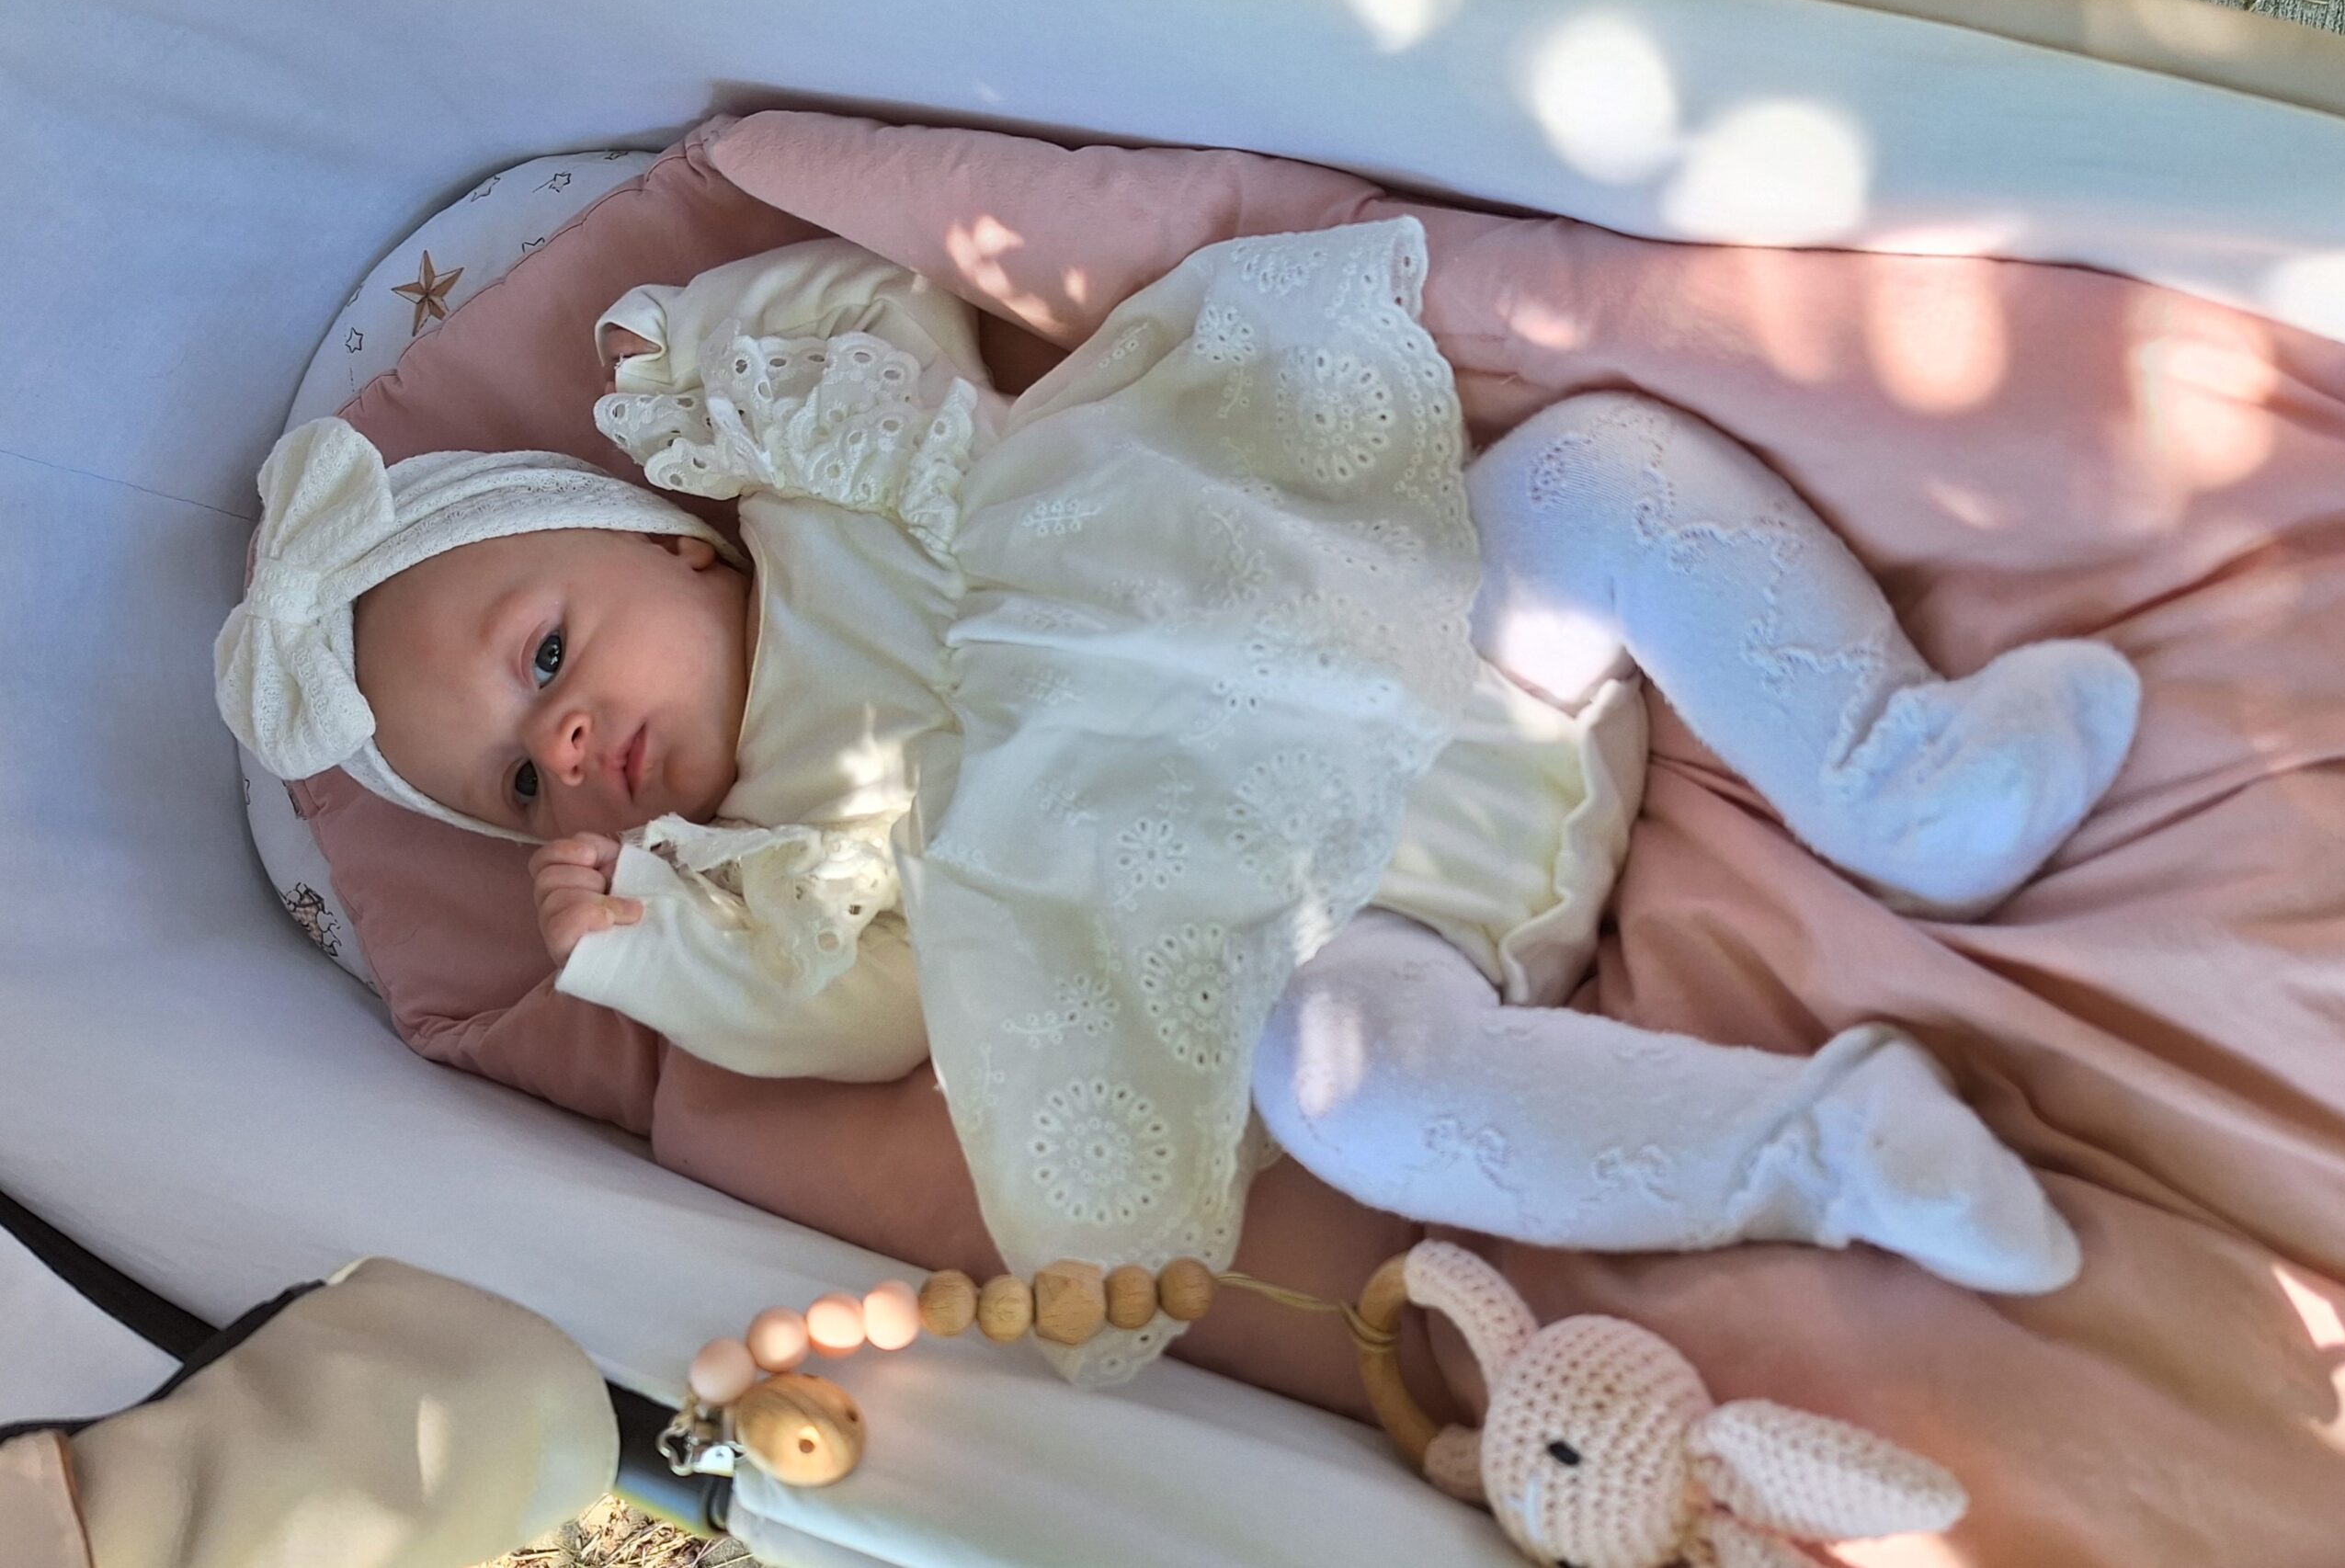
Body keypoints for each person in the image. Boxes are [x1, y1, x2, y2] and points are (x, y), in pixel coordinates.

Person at [217, 222, 2134, 1378]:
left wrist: (705, 348)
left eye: (548, 653)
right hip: (1362, 929)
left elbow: (877, 305)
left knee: (1586, 474)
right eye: (514, 780)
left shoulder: (822, 474)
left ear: (666, 531)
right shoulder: (783, 857)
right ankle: (1820, 1147)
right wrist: (657, 960)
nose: (565, 746)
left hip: (1435, 626)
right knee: (1339, 1094)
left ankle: (1899, 774)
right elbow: (869, 1012)